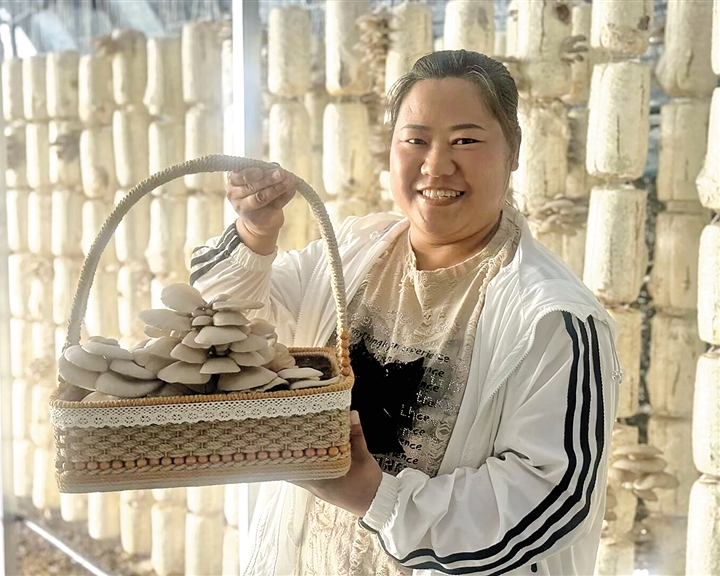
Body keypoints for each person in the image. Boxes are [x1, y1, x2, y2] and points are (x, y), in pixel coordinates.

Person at [190, 50, 619, 576]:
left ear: (514, 150)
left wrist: (377, 497)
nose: (436, 165)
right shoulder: (347, 255)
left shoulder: (554, 318)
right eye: (415, 140)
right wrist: (256, 232)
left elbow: (553, 498)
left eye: (465, 141)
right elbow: (221, 321)